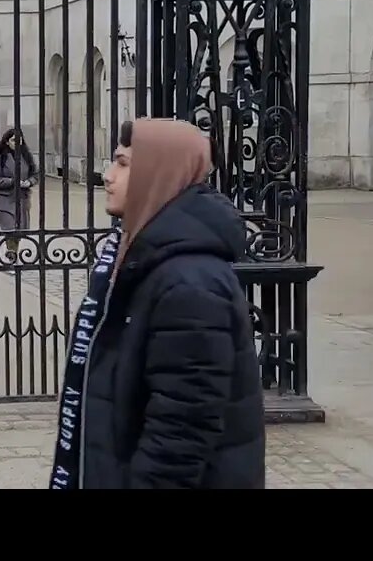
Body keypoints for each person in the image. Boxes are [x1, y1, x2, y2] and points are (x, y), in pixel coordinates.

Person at [48, 118, 265, 490]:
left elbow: (178, 438)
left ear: (158, 174)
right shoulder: (135, 258)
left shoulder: (190, 284)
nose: (107, 175)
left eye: (123, 163)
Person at [0, 128, 38, 263]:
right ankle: (12, 256)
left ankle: (13, 254)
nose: (17, 143)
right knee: (10, 229)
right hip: (5, 199)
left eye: (19, 140)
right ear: (7, 142)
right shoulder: (0, 158)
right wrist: (13, 182)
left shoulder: (26, 156)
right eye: (13, 140)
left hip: (22, 199)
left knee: (19, 230)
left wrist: (29, 182)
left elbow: (36, 174)